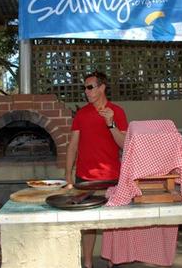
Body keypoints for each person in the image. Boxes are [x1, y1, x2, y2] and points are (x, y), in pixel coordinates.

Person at [65, 71, 128, 268]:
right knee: (88, 224)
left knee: (112, 223)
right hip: (84, 178)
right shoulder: (81, 114)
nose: (86, 91)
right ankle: (88, 263)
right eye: (85, 88)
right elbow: (73, 146)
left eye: (90, 87)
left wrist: (111, 124)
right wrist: (68, 177)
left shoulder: (117, 111)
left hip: (113, 178)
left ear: (102, 87)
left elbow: (124, 144)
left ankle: (112, 262)